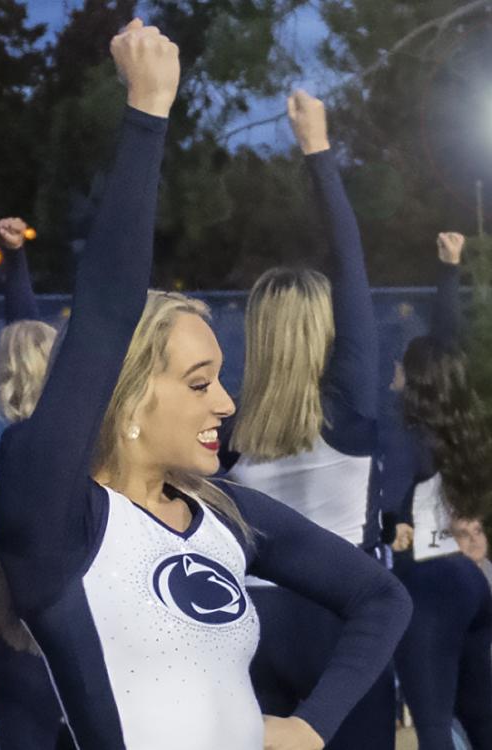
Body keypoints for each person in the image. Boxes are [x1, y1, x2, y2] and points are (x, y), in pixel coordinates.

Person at [0, 19, 411, 750]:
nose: (225, 402)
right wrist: (148, 113)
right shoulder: (57, 522)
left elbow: (382, 597)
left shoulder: (224, 515)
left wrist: (312, 728)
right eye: (198, 382)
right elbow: (104, 316)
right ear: (126, 401)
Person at [221, 89, 398, 748]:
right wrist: (318, 152)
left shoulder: (230, 428)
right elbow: (351, 270)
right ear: (323, 333)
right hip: (340, 619)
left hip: (251, 625)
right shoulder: (348, 404)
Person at [381, 232, 492, 750]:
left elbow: (388, 509)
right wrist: (449, 271)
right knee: (480, 718)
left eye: (402, 366)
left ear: (417, 380)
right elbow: (448, 348)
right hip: (470, 583)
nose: (395, 372)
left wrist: (386, 524)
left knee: (432, 731)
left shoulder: (406, 436)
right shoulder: (455, 426)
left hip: (425, 591)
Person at [0, 217, 69, 749]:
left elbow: (26, 348)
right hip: (18, 622)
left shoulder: (28, 445)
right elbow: (25, 334)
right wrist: (15, 261)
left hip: (37, 630)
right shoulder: (39, 439)